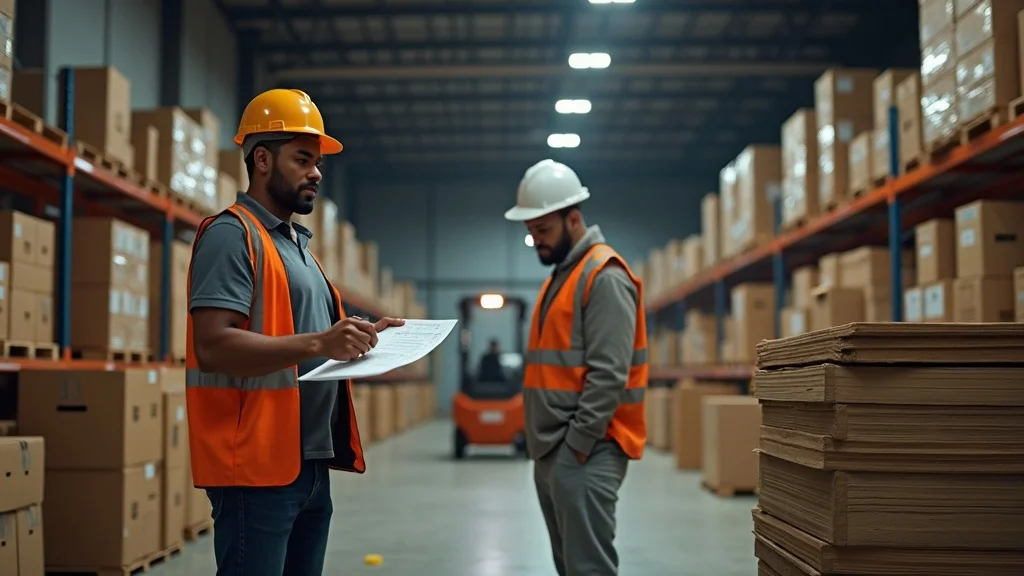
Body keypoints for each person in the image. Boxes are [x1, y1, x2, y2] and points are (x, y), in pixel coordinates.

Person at [184, 88, 404, 576]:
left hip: (307, 464)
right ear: (262, 159)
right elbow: (214, 346)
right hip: (257, 470)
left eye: (318, 161)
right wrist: (323, 342)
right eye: (303, 159)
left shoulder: (299, 250)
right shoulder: (231, 235)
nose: (317, 173)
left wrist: (363, 340)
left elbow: (308, 344)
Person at [503, 159, 648, 576]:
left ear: (574, 218)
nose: (538, 244)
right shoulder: (561, 278)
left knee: (588, 569)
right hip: (554, 449)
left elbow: (609, 374)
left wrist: (577, 447)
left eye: (544, 231)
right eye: (531, 234)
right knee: (570, 567)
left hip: (588, 448)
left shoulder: (604, 276)